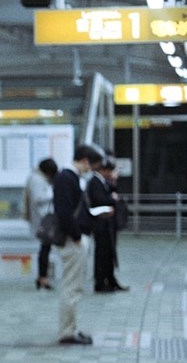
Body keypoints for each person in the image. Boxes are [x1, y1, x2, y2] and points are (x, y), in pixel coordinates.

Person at [53, 143, 105, 345]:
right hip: (72, 240)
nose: (90, 171)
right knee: (72, 287)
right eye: (91, 166)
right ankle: (67, 331)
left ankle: (70, 328)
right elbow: (65, 213)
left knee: (73, 286)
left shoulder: (68, 178)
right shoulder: (67, 178)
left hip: (73, 238)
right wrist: (76, 236)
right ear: (84, 161)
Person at [86, 158, 129, 292]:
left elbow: (112, 191)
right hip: (100, 223)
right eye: (110, 171)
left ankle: (110, 280)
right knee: (101, 253)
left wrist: (113, 182)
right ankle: (100, 282)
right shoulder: (94, 181)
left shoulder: (103, 181)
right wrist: (111, 199)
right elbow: (99, 198)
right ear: (104, 170)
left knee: (109, 253)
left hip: (108, 223)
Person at [26, 157, 58, 290]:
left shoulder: (36, 177)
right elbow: (38, 198)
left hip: (44, 218)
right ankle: (42, 277)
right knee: (45, 248)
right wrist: (52, 194)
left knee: (45, 248)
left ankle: (42, 277)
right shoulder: (37, 179)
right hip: (43, 219)